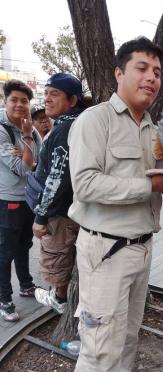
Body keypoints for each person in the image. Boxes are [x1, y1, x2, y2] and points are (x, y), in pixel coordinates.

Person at [54, 37, 163, 372]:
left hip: (142, 246)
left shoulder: (156, 128)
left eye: (156, 71)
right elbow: (88, 185)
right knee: (100, 335)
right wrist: (150, 183)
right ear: (119, 72)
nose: (151, 78)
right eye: (142, 68)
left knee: (130, 327)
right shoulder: (94, 122)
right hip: (104, 251)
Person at [32, 73, 86, 314]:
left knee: (56, 259)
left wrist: (41, 217)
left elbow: (57, 178)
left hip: (60, 215)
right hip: (72, 211)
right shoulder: (76, 123)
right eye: (45, 93)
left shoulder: (65, 129)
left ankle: (60, 300)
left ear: (72, 100)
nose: (47, 99)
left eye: (54, 94)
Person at [0, 80, 40, 322]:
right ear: (5, 100)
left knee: (24, 244)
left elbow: (39, 160)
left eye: (24, 101)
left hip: (28, 198)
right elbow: (22, 167)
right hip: (7, 200)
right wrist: (26, 142)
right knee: (5, 251)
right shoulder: (3, 129)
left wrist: (27, 149)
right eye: (14, 100)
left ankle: (26, 284)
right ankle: (4, 298)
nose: (20, 105)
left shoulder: (30, 128)